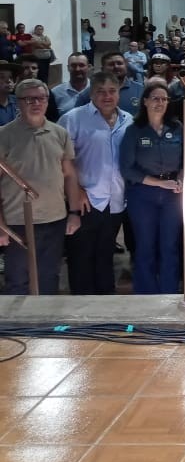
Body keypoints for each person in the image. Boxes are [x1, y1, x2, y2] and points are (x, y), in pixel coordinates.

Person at [0, 79, 82, 294]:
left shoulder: (59, 133)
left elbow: (70, 175)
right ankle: (19, 318)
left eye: (41, 98)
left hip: (54, 219)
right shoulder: (4, 135)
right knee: (18, 280)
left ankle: (45, 316)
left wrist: (74, 212)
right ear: (18, 102)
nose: (36, 103)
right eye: (29, 99)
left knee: (49, 277)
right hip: (17, 222)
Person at [58, 72, 134, 295]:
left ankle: (105, 302)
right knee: (81, 256)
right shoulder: (73, 118)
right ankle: (82, 305)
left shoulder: (128, 120)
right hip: (84, 199)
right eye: (101, 91)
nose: (107, 96)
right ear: (91, 93)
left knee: (105, 253)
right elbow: (62, 161)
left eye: (112, 91)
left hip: (116, 199)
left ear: (119, 93)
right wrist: (76, 192)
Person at [118, 81, 183, 294]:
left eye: (164, 99)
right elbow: (127, 168)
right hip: (142, 194)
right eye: (155, 98)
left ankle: (169, 293)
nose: (160, 103)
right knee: (145, 246)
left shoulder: (177, 128)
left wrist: (182, 178)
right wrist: (159, 183)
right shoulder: (134, 130)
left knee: (170, 245)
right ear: (145, 101)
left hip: (173, 194)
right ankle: (146, 295)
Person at [52, 52, 91, 116]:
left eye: (81, 65)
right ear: (68, 68)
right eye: (73, 66)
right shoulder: (55, 93)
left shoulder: (98, 90)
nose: (77, 69)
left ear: (89, 67)